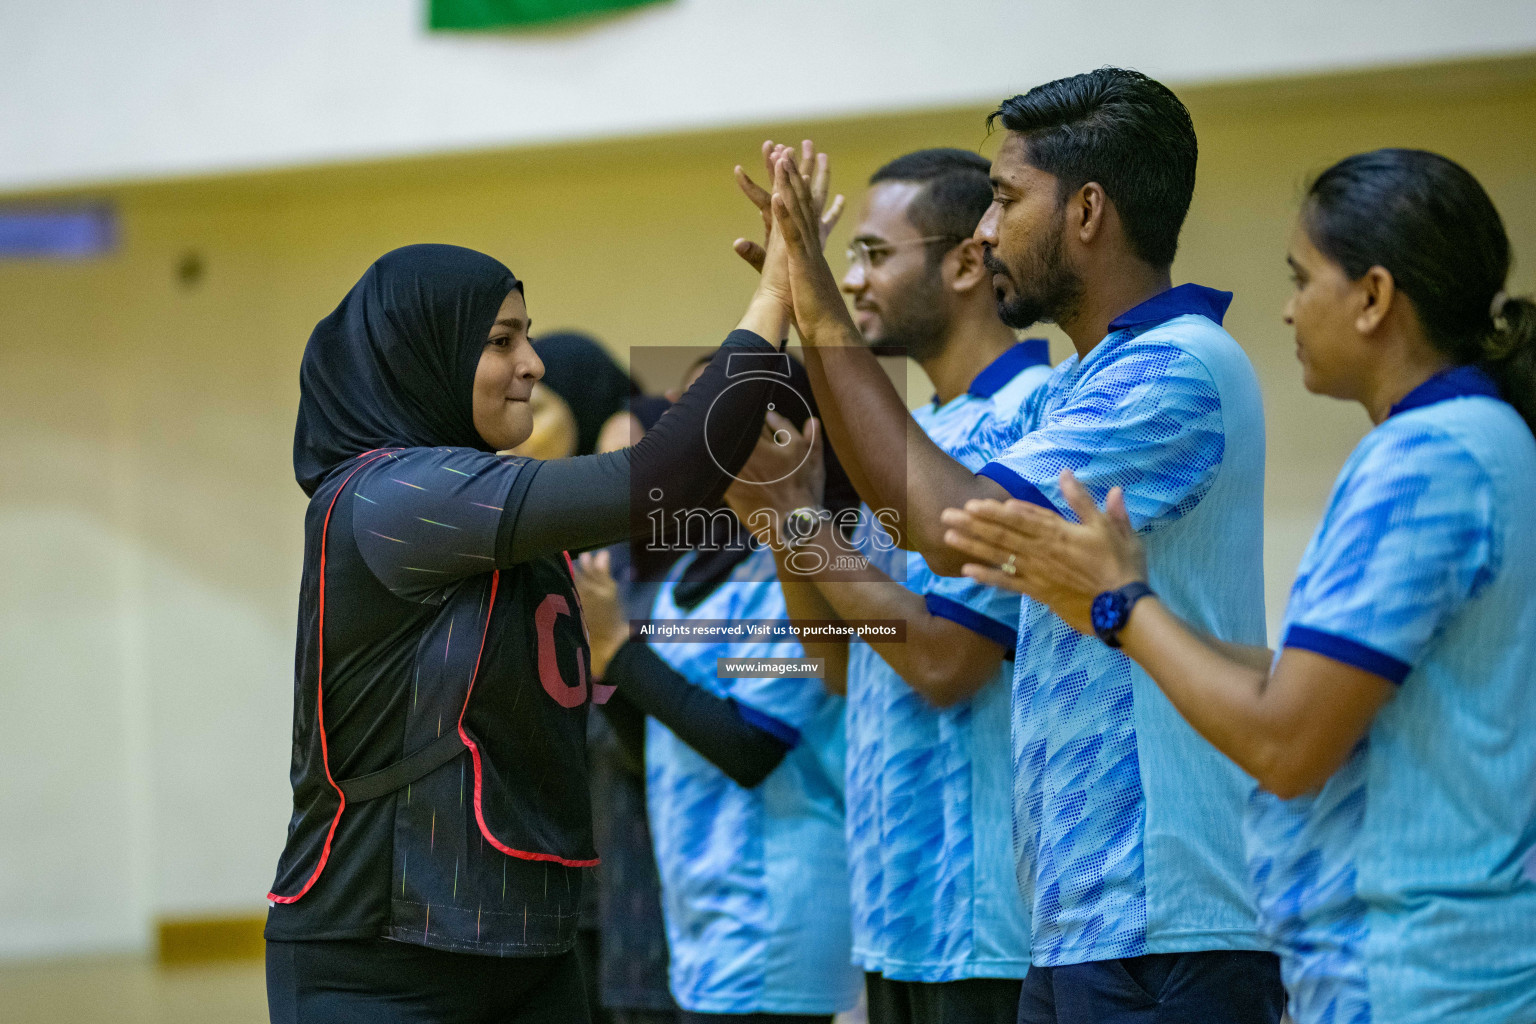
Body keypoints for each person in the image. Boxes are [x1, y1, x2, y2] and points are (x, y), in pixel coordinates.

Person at [940, 148, 1536, 1024]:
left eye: (1304, 278)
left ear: (1373, 298)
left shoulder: (1427, 459)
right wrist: (1113, 614)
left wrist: (1126, 608)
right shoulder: (1480, 438)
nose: (1290, 307)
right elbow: (1302, 684)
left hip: (1422, 974)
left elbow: (1287, 745)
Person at [764, 69, 1284, 1022]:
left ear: (1087, 210)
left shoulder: (1173, 369)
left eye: (1005, 199)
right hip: (1081, 915)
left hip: (1159, 921)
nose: (989, 230)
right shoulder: (1098, 376)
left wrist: (814, 306)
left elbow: (950, 541)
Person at [263, 239, 795, 1024]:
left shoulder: (501, 518)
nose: (533, 363)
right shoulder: (391, 496)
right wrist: (778, 293)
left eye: (529, 336)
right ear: (424, 356)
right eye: (501, 341)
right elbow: (661, 475)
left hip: (531, 943)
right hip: (383, 955)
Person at [729, 147, 1045, 1024]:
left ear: (967, 261)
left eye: (873, 254)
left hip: (989, 924)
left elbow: (946, 662)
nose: (853, 280)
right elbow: (839, 667)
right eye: (850, 258)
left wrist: (801, 529)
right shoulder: (917, 433)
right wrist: (784, 522)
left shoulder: (1032, 415)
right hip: (896, 917)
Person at [574, 354, 864, 1024]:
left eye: (711, 408)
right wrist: (606, 662)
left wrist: (620, 650)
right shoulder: (682, 569)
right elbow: (653, 752)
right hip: (702, 914)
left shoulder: (801, 565)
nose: (690, 427)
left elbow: (751, 745)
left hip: (778, 911)